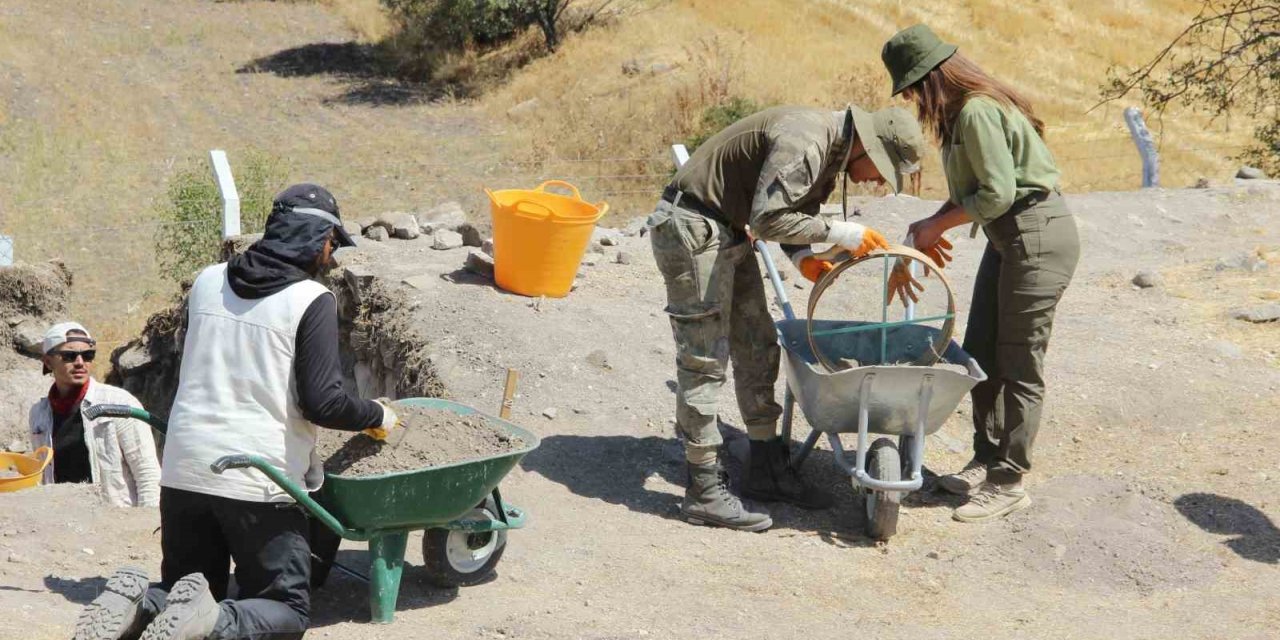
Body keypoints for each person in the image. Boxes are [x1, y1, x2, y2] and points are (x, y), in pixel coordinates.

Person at [74, 184, 401, 640]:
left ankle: (137, 604)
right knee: (284, 607)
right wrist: (376, 415)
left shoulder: (207, 281)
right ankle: (215, 622)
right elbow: (323, 401)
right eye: (330, 243)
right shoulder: (310, 300)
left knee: (187, 591)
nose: (330, 256)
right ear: (313, 237)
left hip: (185, 469)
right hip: (256, 479)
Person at [650, 104, 928, 531]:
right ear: (866, 146)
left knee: (757, 343)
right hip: (694, 227)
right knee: (704, 359)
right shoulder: (807, 141)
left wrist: (802, 258)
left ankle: (765, 468)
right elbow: (768, 217)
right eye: (879, 169)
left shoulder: (831, 152)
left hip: (726, 228)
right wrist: (842, 234)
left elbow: (791, 216)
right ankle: (703, 489)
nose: (875, 180)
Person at [881, 25, 1080, 522]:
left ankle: (1009, 479)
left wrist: (937, 224)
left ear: (931, 78)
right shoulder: (963, 115)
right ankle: (986, 459)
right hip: (1007, 235)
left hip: (1035, 234)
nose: (910, 98)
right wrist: (930, 226)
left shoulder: (975, 111)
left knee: (1018, 359)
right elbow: (975, 191)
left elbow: (997, 194)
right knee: (982, 349)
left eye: (910, 88)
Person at [28, 321, 160, 506]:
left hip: (113, 521)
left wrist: (147, 524)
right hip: (63, 521)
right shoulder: (38, 414)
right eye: (69, 356)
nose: (80, 362)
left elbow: (147, 472)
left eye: (88, 355)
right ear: (48, 362)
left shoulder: (118, 403)